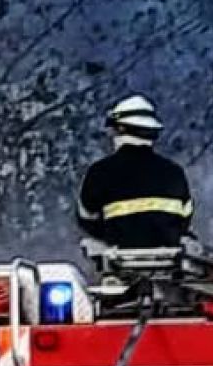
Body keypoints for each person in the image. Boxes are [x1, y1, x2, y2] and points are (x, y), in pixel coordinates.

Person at [75, 95, 195, 251]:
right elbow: (185, 218)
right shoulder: (174, 172)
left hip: (119, 260)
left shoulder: (100, 172)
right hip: (170, 264)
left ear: (121, 129)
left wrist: (112, 235)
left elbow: (86, 217)